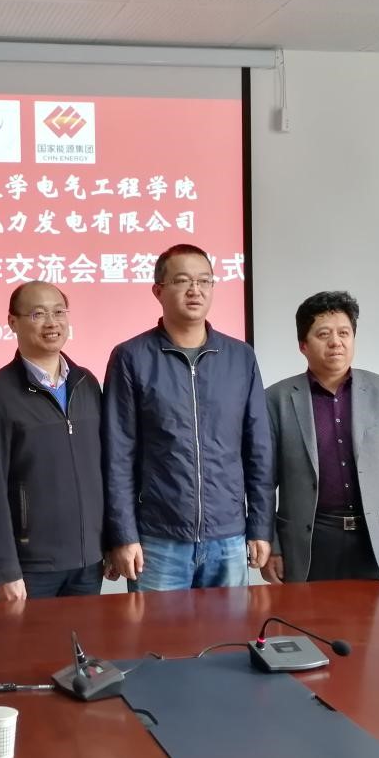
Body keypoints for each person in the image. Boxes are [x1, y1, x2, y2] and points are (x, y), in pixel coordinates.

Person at [103, 244, 274, 591]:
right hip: (158, 538)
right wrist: (123, 534)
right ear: (158, 290)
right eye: (182, 280)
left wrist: (260, 525)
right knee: (158, 628)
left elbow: (258, 448)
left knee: (231, 628)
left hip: (229, 536)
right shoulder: (131, 357)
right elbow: (118, 454)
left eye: (204, 281)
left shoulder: (240, 357)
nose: (195, 290)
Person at [262, 291, 379, 584]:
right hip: (308, 541)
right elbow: (263, 482)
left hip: (375, 541)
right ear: (303, 345)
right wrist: (273, 544)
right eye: (324, 334)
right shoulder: (276, 399)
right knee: (308, 615)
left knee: (375, 615)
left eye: (344, 333)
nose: (336, 342)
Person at [0, 281, 104, 600]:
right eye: (38, 314)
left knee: (87, 635)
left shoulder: (87, 383)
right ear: (13, 322)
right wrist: (4, 569)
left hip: (89, 563)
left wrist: (109, 542)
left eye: (59, 312)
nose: (52, 323)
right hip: (30, 568)